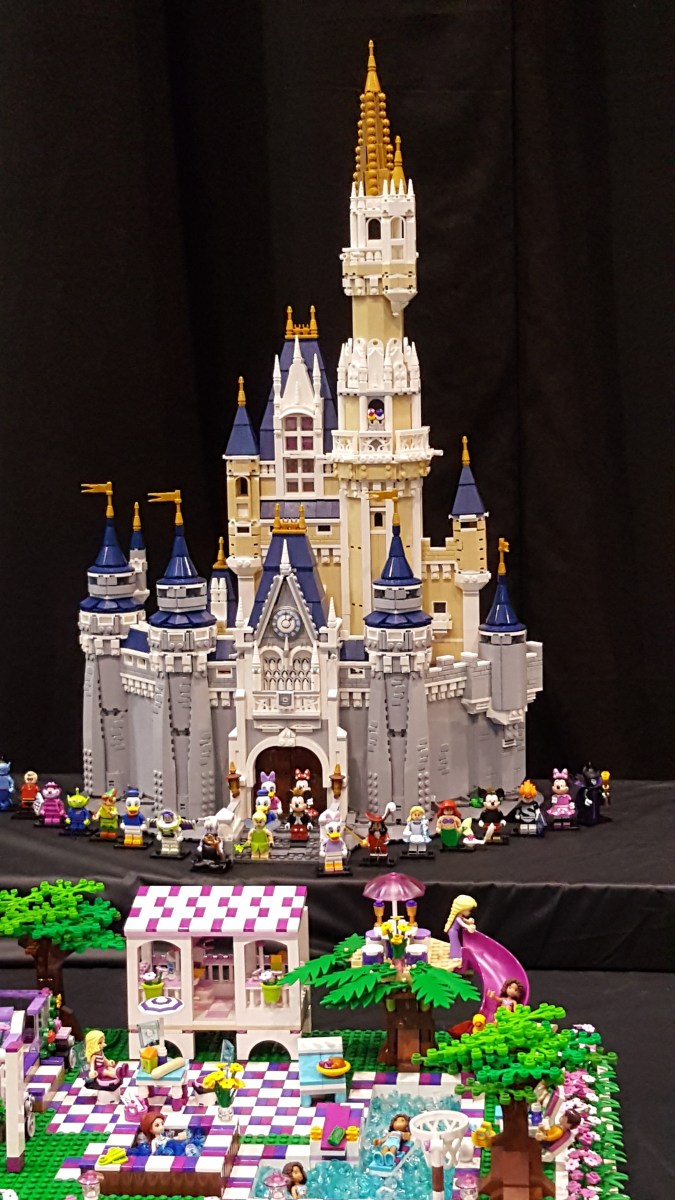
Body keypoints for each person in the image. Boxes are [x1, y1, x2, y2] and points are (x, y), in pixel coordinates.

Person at [444, 895, 477, 966]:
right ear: (462, 909)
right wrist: (468, 927)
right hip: (453, 932)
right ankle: (454, 956)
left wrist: (469, 921)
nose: (469, 912)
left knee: (456, 944)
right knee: (455, 944)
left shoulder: (460, 917)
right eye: (468, 910)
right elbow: (462, 924)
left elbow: (465, 921)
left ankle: (456, 955)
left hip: (454, 932)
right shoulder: (458, 918)